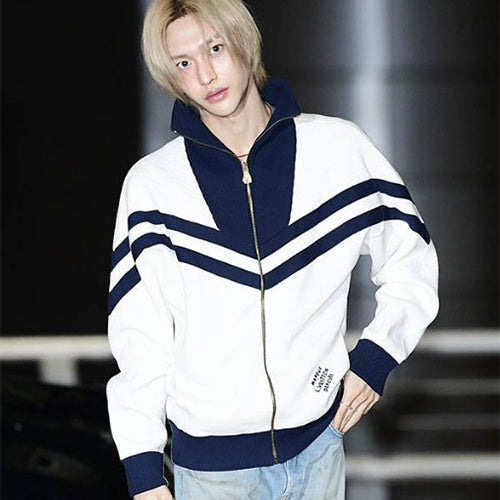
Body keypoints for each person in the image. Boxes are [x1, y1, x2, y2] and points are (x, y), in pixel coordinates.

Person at [105, 0, 440, 498]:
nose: (205, 74)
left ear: (243, 41)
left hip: (319, 448)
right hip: (213, 474)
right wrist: (143, 470)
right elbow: (139, 336)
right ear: (171, 76)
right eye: (183, 62)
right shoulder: (153, 186)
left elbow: (411, 259)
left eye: (215, 48)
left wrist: (376, 357)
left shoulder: (339, 150)